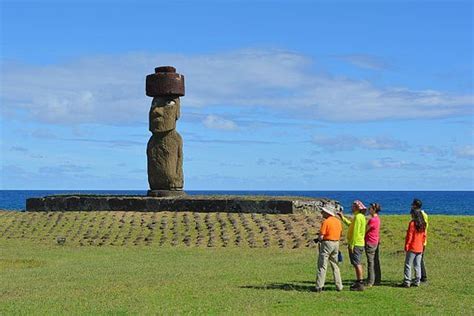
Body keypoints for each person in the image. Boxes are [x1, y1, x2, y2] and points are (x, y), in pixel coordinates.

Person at [338, 200, 367, 291]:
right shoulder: (359, 216)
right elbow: (351, 226)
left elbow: (355, 232)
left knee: (357, 262)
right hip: (358, 242)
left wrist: (352, 245)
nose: (351, 207)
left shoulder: (358, 217)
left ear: (357, 208)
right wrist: (343, 218)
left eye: (353, 206)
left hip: (356, 243)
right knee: (356, 262)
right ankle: (359, 281)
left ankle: (360, 282)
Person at [315, 205, 343, 292]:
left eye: (323, 211)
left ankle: (319, 286)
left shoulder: (326, 222)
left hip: (327, 243)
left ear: (327, 213)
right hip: (336, 243)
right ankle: (339, 286)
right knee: (335, 265)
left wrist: (318, 239)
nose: (322, 213)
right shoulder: (338, 221)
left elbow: (321, 236)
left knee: (322, 265)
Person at [402, 208, 426, 287]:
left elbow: (410, 236)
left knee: (408, 264)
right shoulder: (423, 224)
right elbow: (424, 236)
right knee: (417, 264)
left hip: (412, 246)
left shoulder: (412, 224)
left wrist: (407, 245)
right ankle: (417, 281)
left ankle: (407, 281)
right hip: (420, 247)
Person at [412, 198, 429, 282]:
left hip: (420, 239)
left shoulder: (419, 214)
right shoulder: (423, 214)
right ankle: (421, 276)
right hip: (422, 239)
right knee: (419, 258)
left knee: (419, 259)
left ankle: (423, 276)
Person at [365, 203, 382, 287]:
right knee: (375, 261)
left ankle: (370, 281)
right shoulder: (378, 219)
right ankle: (377, 279)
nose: (369, 209)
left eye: (370, 208)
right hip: (375, 241)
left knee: (370, 262)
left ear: (374, 209)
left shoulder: (372, 220)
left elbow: (366, 229)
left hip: (370, 242)